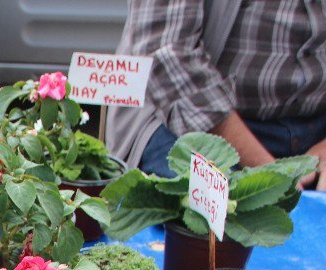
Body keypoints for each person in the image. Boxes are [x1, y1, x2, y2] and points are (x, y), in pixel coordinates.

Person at [105, 0, 326, 189]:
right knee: (221, 219)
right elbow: (167, 53)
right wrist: (269, 173)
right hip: (187, 123)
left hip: (316, 127)